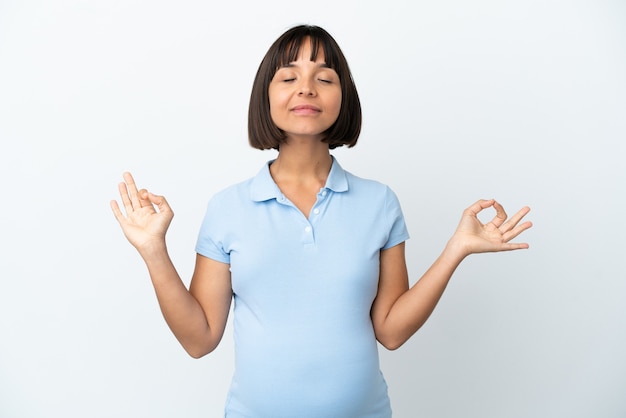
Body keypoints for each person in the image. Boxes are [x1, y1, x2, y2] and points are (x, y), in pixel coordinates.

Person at [111, 25, 532, 418]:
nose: (306, 88)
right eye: (289, 77)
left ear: (343, 96)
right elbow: (199, 339)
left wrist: (455, 250)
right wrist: (154, 252)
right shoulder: (228, 207)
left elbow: (391, 331)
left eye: (325, 78)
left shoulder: (379, 203)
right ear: (266, 95)